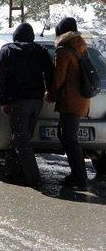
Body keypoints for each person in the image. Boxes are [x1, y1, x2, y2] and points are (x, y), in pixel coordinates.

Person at [0, 22, 53, 188]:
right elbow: (49, 72)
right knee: (24, 137)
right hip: (36, 101)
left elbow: (1, 78)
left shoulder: (6, 51)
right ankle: (13, 172)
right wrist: (49, 91)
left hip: (18, 101)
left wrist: (4, 100)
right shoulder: (40, 51)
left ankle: (34, 178)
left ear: (16, 36)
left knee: (21, 139)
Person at [45, 17, 90, 190]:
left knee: (69, 138)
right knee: (65, 134)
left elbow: (58, 79)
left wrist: (50, 94)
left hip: (71, 100)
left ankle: (80, 177)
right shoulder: (81, 46)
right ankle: (77, 174)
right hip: (81, 99)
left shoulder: (64, 51)